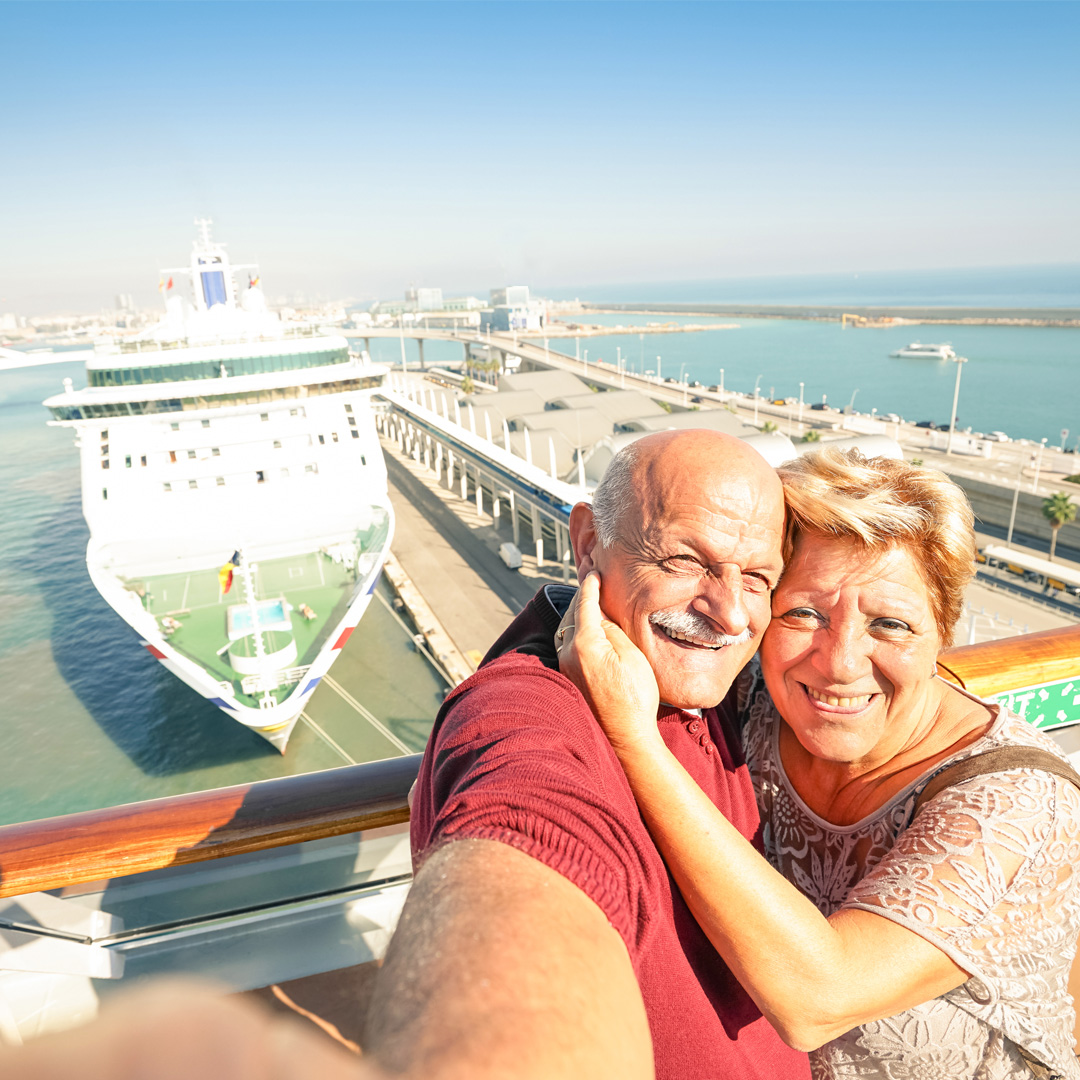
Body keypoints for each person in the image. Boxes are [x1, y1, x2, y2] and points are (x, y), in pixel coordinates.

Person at [560, 449, 1080, 1079]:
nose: (840, 663)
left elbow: (818, 999)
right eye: (804, 614)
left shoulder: (1020, 805)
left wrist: (633, 740)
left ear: (943, 632)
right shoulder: (751, 703)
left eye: (889, 624)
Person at [363, 430, 809, 1080]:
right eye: (685, 561)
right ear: (587, 543)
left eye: (758, 577)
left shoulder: (716, 686)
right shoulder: (527, 715)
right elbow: (525, 838)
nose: (730, 613)